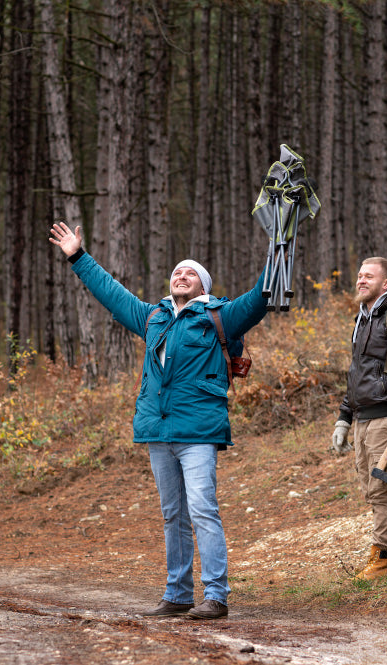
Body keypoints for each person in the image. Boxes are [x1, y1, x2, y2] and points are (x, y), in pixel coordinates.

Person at [49, 222, 269, 620]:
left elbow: (259, 299)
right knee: (173, 514)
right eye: (175, 272)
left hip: (198, 429)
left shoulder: (220, 316)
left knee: (202, 508)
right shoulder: (152, 317)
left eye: (190, 273)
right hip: (158, 430)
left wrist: (279, 251)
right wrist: (78, 257)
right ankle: (178, 593)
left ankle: (216, 595)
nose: (180, 275)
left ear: (202, 286)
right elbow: (111, 294)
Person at [330, 257, 387, 580]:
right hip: (362, 418)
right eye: (359, 276)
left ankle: (380, 558)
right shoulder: (361, 319)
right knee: (370, 488)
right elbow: (356, 373)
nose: (361, 280)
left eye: (369, 276)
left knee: (382, 489)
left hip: (385, 417)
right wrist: (344, 417)